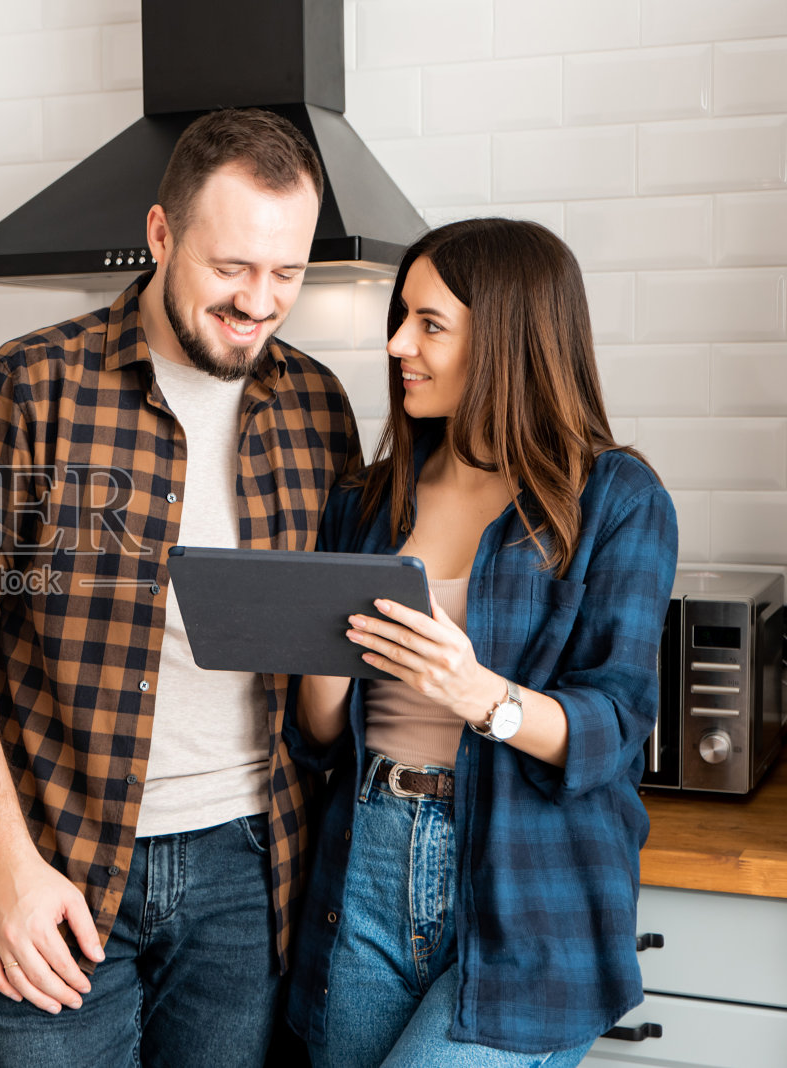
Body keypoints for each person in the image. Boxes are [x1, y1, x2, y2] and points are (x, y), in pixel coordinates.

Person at [0, 107, 362, 1064]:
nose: (259, 301)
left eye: (288, 273)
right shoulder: (28, 387)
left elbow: (320, 643)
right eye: (231, 267)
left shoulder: (316, 405)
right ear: (160, 234)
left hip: (250, 871)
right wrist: (5, 865)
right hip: (62, 864)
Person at [284, 217, 679, 1068]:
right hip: (365, 863)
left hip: (530, 884)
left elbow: (616, 724)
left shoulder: (615, 499)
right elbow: (318, 739)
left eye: (430, 324)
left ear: (507, 340)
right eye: (402, 318)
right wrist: (320, 659)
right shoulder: (367, 501)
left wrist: (480, 696)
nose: (398, 344)